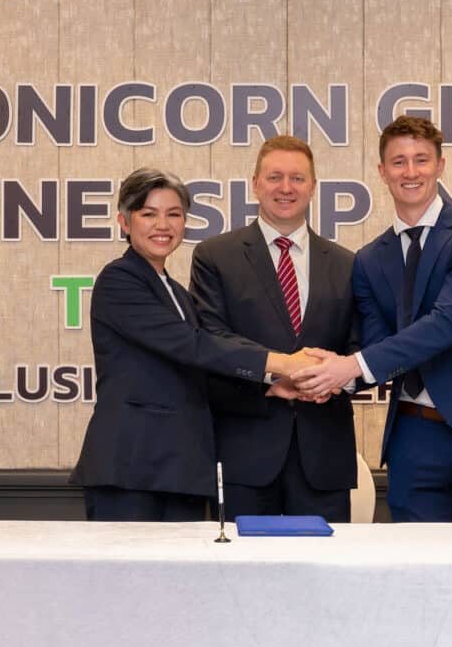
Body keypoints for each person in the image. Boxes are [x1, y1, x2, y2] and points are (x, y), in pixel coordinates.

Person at [294, 116, 452, 522]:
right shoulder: (370, 260)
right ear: (382, 171)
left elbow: (446, 324)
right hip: (413, 436)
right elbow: (377, 347)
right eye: (398, 162)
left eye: (421, 160)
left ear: (440, 165)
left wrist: (348, 367)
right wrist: (328, 378)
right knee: (413, 558)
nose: (410, 172)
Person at [73, 168, 317, 522]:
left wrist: (270, 387)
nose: (163, 225)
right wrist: (282, 363)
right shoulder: (119, 280)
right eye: (149, 214)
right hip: (130, 469)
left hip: (181, 470)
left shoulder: (177, 293)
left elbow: (197, 373)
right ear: (124, 222)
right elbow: (193, 345)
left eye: (174, 214)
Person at [190, 136, 359, 523]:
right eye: (275, 177)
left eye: (297, 178)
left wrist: (331, 380)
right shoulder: (215, 256)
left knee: (326, 562)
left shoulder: (348, 264)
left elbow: (360, 345)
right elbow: (211, 338)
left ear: (313, 187)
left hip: (324, 456)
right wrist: (274, 375)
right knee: (241, 563)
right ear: (255, 184)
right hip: (245, 454)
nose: (286, 188)